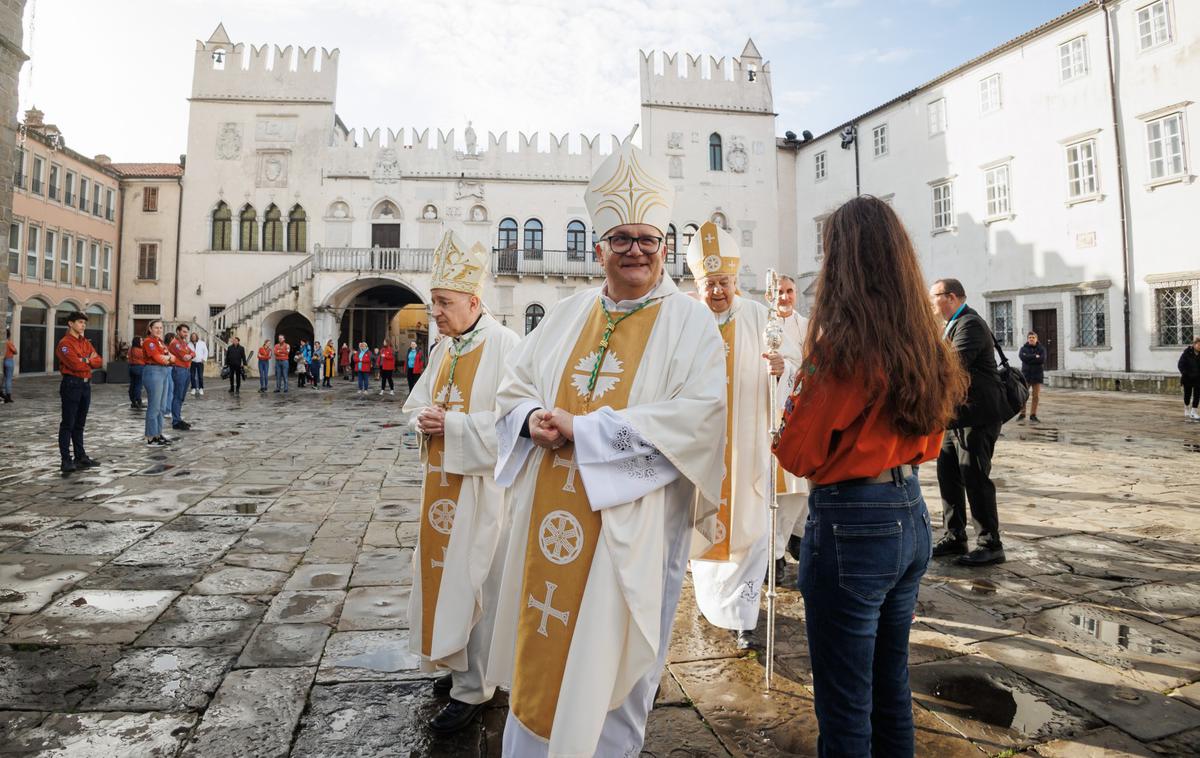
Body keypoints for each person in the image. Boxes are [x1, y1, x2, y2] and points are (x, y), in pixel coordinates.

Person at [487, 132, 726, 757]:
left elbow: (700, 418)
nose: (635, 251)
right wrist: (532, 415)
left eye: (647, 240)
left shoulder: (690, 322)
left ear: (664, 247)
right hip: (550, 520)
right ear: (600, 249)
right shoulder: (565, 314)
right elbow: (512, 386)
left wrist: (585, 431)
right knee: (540, 642)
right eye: (621, 240)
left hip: (633, 529)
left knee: (614, 661)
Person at [774, 195, 968, 757]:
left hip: (851, 521)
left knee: (844, 705)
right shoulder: (925, 341)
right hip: (909, 511)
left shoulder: (841, 345)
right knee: (890, 688)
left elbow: (797, 451)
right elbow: (931, 440)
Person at [404, 230, 521, 733]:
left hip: (482, 493)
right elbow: (416, 404)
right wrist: (424, 421)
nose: (436, 314)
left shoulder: (505, 347)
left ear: (474, 301)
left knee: (478, 584)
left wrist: (450, 426)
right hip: (441, 490)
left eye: (444, 304)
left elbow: (515, 424)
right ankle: (455, 667)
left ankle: (475, 689)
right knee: (444, 579)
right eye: (433, 305)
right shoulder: (446, 349)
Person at [687, 221, 780, 651]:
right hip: (701, 447)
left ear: (735, 280)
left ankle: (745, 618)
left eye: (723, 282)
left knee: (748, 526)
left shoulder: (759, 317)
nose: (717, 291)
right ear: (697, 284)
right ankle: (711, 604)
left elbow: (790, 367)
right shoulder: (686, 321)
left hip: (747, 447)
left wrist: (781, 370)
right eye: (709, 284)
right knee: (701, 527)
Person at [929, 277, 1009, 567]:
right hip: (954, 417)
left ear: (951, 297)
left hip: (977, 416)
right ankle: (955, 535)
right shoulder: (950, 326)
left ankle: (990, 543)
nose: (930, 303)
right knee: (948, 474)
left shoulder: (970, 324)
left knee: (975, 477)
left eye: (934, 296)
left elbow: (951, 364)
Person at [772, 274, 811, 573]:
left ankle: (793, 537)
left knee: (798, 486)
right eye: (778, 291)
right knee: (772, 488)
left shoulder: (808, 326)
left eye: (789, 292)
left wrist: (789, 370)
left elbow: (815, 365)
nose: (784, 297)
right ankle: (774, 550)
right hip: (766, 409)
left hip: (797, 410)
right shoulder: (761, 322)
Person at [55, 311, 104, 472]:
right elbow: (75, 364)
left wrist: (86, 360)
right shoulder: (65, 343)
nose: (83, 325)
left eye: (84, 322)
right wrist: (87, 360)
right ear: (70, 324)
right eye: (80, 322)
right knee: (68, 423)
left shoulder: (85, 342)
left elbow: (98, 361)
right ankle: (66, 460)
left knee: (80, 423)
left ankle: (80, 456)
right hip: (72, 384)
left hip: (85, 385)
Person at [142, 320, 176, 446]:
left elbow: (174, 358)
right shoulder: (148, 342)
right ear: (150, 329)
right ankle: (151, 436)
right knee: (154, 406)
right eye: (156, 327)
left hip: (163, 371)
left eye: (161, 328)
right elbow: (158, 358)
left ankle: (158, 433)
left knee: (162, 407)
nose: (159, 330)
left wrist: (167, 358)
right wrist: (167, 358)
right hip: (153, 371)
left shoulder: (160, 342)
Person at [167, 324, 195, 431]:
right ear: (178, 331)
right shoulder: (175, 343)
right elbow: (184, 356)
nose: (186, 334)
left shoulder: (183, 343)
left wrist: (191, 355)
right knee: (178, 396)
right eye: (183, 331)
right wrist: (189, 355)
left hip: (186, 370)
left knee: (181, 396)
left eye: (187, 332)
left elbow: (192, 353)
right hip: (179, 370)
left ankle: (178, 418)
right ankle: (176, 421)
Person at [1017, 332, 1047, 423]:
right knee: (1023, 395)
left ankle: (1033, 415)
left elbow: (1042, 359)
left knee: (1036, 396)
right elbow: (1023, 358)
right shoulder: (1023, 348)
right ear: (1027, 339)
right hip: (1026, 376)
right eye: (1029, 337)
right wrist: (1035, 356)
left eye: (1033, 337)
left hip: (1037, 375)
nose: (1031, 339)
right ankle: (1022, 413)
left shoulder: (1041, 349)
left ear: (1036, 339)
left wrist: (1029, 358)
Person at [1180, 336, 1200, 420]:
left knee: (1197, 395)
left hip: (1198, 378)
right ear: (1194, 345)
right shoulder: (1187, 353)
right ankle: (1186, 408)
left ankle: (1194, 412)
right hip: (1187, 378)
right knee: (1187, 395)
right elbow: (1180, 364)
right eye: (1199, 345)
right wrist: (1185, 373)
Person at [128, 336, 145, 409]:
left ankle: (133, 401)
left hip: (131, 367)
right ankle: (138, 401)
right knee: (138, 385)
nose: (142, 342)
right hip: (139, 367)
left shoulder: (131, 349)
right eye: (141, 341)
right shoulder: (139, 350)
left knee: (133, 384)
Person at [189, 332, 208, 396]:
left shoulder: (202, 343)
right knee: (192, 376)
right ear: (191, 337)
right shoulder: (189, 344)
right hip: (192, 362)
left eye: (194, 336)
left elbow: (206, 351)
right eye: (192, 337)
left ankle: (201, 388)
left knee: (200, 376)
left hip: (200, 362)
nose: (193, 337)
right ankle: (193, 388)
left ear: (196, 337)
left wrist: (204, 359)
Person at [3, 328, 15, 403]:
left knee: (4, 378)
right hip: (9, 360)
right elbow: (15, 351)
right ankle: (8, 396)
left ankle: (3, 394)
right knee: (8, 379)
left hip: (3, 360)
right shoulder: (9, 342)